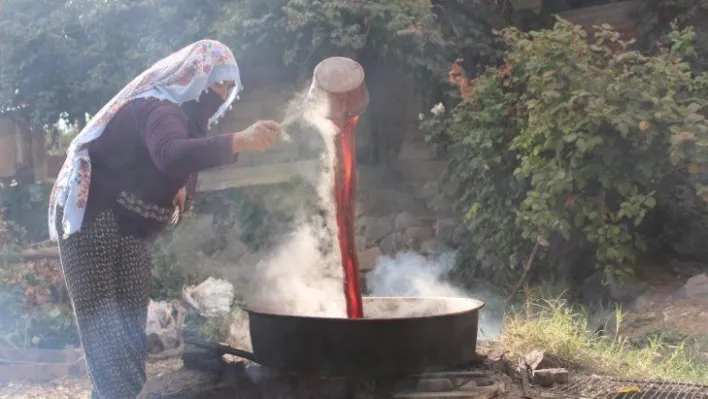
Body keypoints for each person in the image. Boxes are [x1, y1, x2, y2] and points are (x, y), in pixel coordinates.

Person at [47, 40, 282, 398]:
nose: (224, 94)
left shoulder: (184, 120)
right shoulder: (160, 108)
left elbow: (177, 159)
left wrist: (181, 187)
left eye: (231, 87)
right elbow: (170, 154)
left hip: (128, 224)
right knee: (105, 333)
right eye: (220, 83)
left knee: (127, 329)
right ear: (196, 78)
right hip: (93, 215)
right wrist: (240, 140)